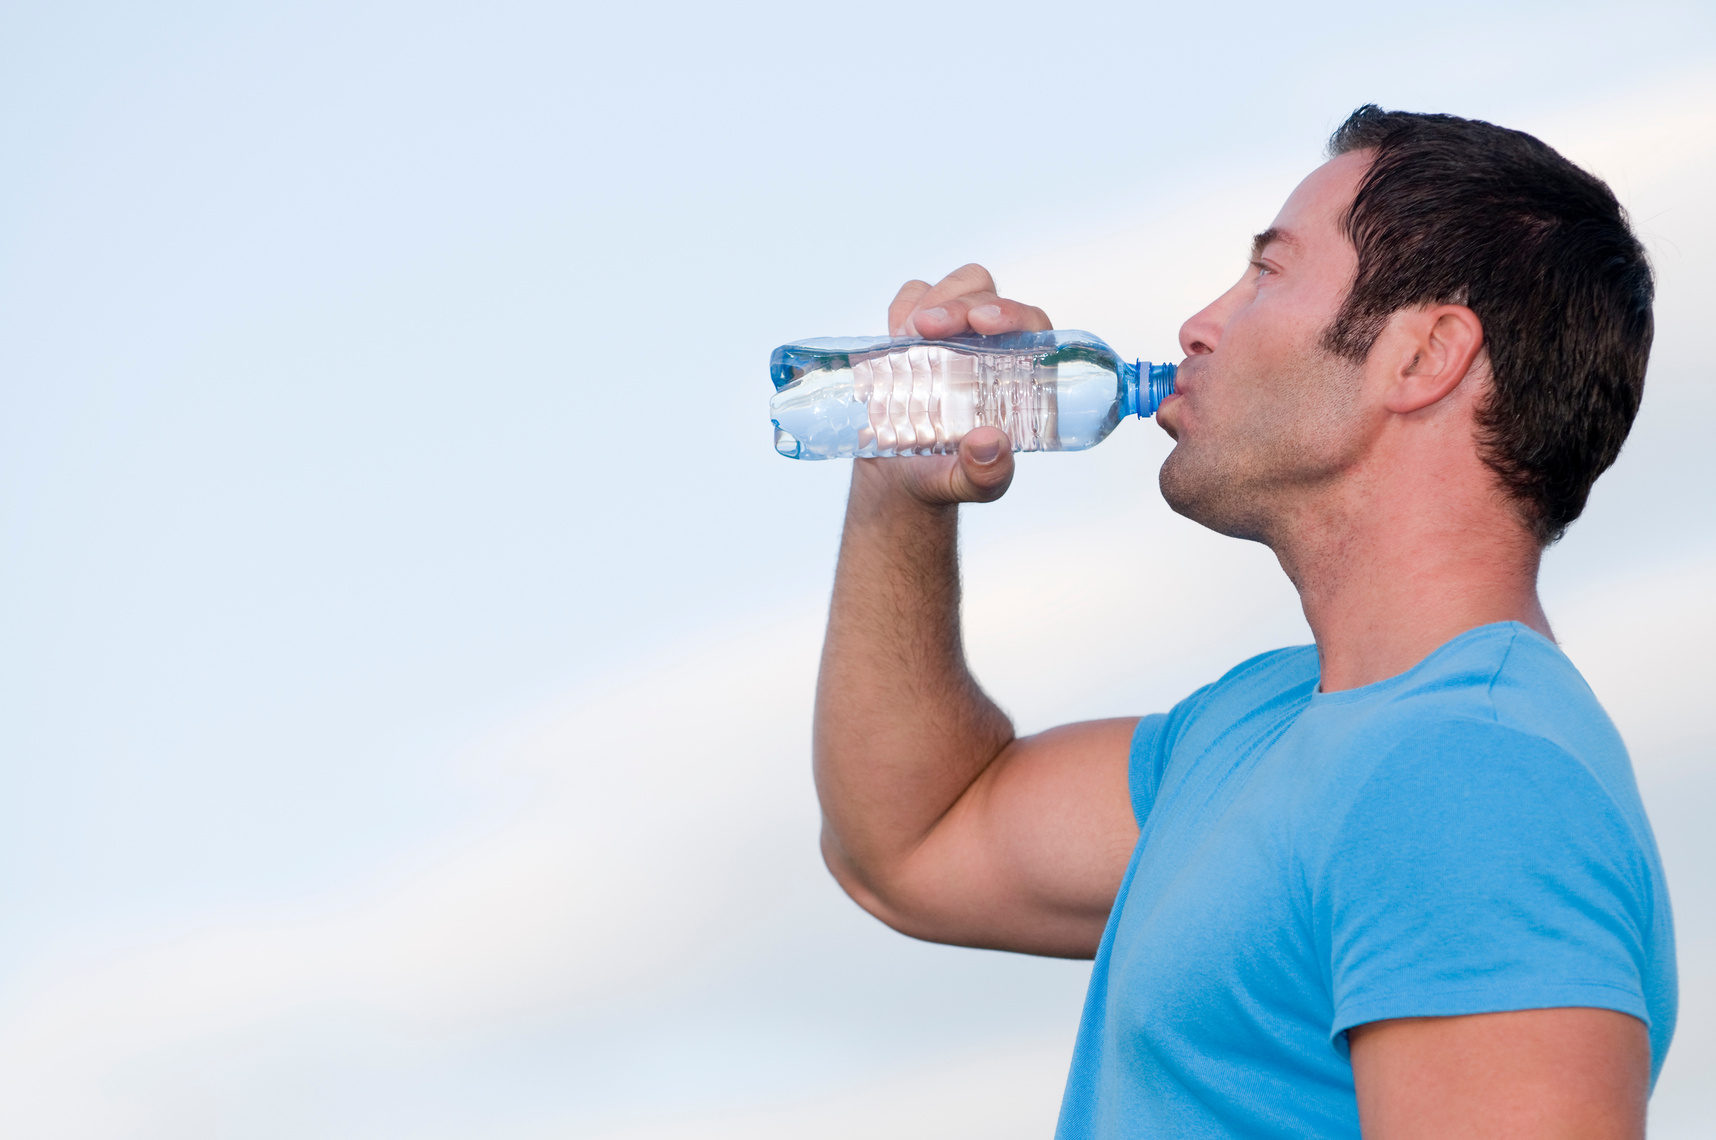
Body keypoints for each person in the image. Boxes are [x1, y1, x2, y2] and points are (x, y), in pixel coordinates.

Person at [811, 106, 1675, 1139]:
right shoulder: (1259, 727)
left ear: (1422, 357)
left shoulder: (1470, 780)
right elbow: (911, 844)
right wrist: (900, 486)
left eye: (1269, 271)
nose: (1199, 325)